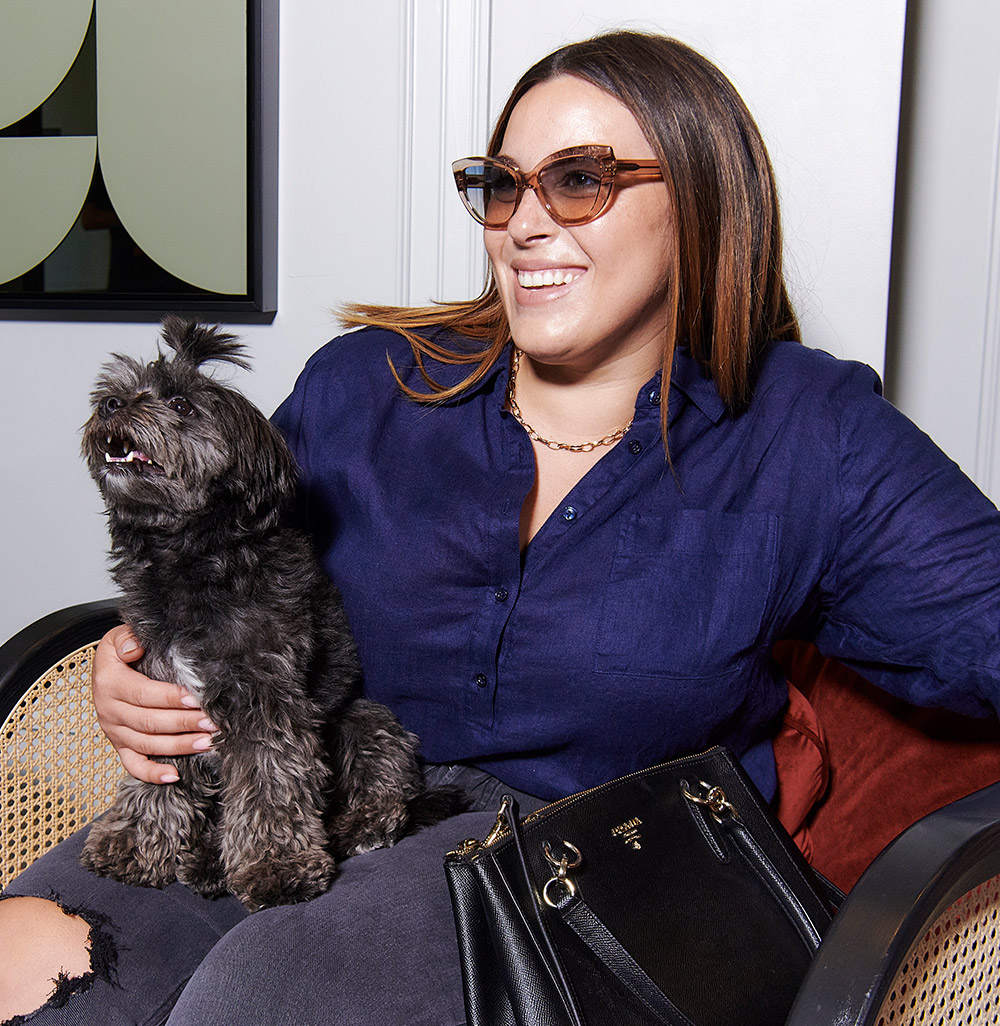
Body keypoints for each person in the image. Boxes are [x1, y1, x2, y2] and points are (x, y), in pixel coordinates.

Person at [2, 29, 999, 1026]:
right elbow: (220, 566)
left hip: (593, 873)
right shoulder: (367, 386)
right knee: (29, 954)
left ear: (702, 200)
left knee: (271, 993)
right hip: (324, 791)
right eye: (500, 185)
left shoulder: (809, 433)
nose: (523, 223)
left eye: (578, 180)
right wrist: (134, 668)